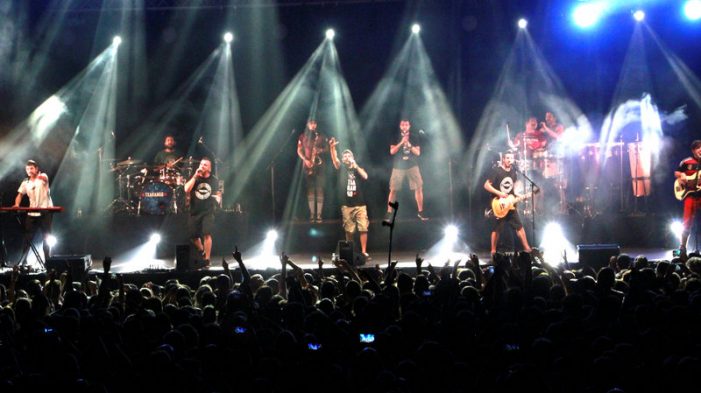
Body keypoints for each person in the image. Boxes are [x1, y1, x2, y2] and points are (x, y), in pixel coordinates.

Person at [329, 138, 370, 260]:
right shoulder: (341, 167)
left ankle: (364, 252)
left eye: (349, 155)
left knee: (363, 228)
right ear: (343, 159)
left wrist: (355, 165)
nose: (346, 157)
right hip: (347, 205)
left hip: (360, 204)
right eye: (345, 156)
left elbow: (365, 176)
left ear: (352, 157)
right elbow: (335, 160)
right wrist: (332, 148)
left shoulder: (357, 168)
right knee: (349, 230)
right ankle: (350, 252)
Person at [484, 151, 532, 255]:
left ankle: (527, 248)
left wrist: (519, 196)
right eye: (507, 158)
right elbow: (486, 185)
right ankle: (493, 251)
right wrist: (499, 193)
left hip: (510, 204)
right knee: (497, 228)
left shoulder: (513, 172)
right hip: (498, 203)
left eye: (511, 158)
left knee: (519, 226)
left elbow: (512, 190)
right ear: (504, 159)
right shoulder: (497, 171)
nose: (509, 160)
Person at [13, 160, 54, 264]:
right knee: (27, 238)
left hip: (45, 212)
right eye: (27, 169)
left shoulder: (43, 176)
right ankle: (23, 263)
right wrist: (17, 204)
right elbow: (20, 195)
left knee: (46, 237)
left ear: (36, 169)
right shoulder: (25, 182)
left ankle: (48, 262)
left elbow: (45, 179)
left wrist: (39, 177)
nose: (29, 171)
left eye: (31, 168)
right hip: (32, 213)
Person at [386, 119, 428, 221]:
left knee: (419, 187)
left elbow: (418, 153)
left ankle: (420, 212)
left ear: (409, 126)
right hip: (398, 166)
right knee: (393, 189)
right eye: (403, 124)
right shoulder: (395, 136)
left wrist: (409, 144)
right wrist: (401, 142)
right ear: (400, 126)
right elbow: (392, 151)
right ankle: (389, 213)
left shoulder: (414, 136)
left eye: (406, 125)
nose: (404, 126)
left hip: (412, 165)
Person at [184, 157, 221, 267]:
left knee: (207, 234)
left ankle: (207, 259)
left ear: (209, 168)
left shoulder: (214, 180)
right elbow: (186, 189)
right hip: (195, 210)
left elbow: (218, 194)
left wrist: (218, 199)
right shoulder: (195, 178)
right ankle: (202, 252)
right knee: (193, 236)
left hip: (208, 211)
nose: (202, 166)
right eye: (201, 164)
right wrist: (195, 176)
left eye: (205, 165)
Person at [297, 119, 328, 223]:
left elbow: (328, 148)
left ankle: (319, 215)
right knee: (310, 189)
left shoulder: (321, 136)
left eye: (315, 123)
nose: (313, 125)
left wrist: (321, 150)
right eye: (311, 123)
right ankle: (311, 214)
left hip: (319, 165)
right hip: (308, 165)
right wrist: (306, 160)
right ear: (307, 124)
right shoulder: (302, 136)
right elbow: (299, 150)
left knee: (319, 189)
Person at [674, 140, 701, 256]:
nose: (700, 150)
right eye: (698, 148)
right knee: (687, 221)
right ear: (693, 150)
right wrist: (682, 176)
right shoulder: (686, 161)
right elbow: (677, 172)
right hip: (690, 196)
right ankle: (683, 248)